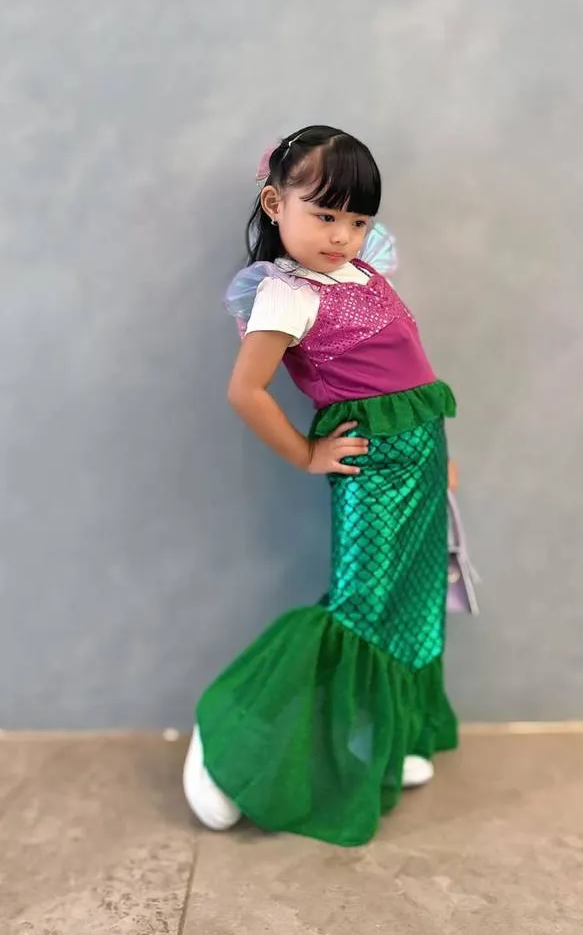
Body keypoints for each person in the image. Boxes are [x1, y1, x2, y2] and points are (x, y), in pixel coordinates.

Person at [183, 125, 459, 846]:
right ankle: (228, 737)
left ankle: (387, 736)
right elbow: (246, 391)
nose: (343, 236)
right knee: (358, 605)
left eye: (358, 220)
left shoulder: (363, 272)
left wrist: (440, 462)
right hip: (372, 470)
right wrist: (308, 453)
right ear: (276, 204)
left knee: (410, 598)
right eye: (326, 215)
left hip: (422, 460)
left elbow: (414, 375)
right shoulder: (285, 295)